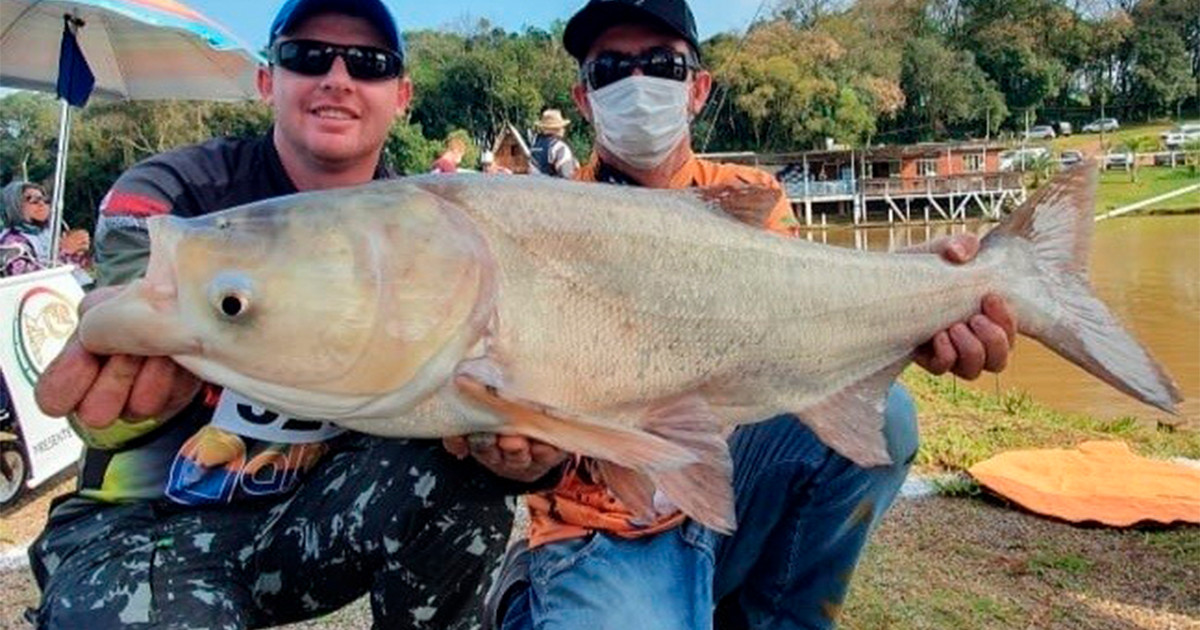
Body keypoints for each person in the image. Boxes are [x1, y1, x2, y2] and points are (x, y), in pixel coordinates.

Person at [475, 1, 1018, 629]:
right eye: (610, 70)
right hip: (603, 524)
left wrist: (931, 288)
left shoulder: (747, 198)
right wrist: (524, 450)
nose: (635, 82)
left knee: (887, 416)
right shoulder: (542, 221)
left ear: (698, 89)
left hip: (727, 485)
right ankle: (526, 598)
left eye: (659, 64)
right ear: (584, 98)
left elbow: (813, 306)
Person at [29, 1, 551, 628]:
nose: (338, 77)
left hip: (306, 520)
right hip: (147, 520)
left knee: (467, 477)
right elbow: (127, 319)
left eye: (369, 63)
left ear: (402, 95)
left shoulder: (424, 225)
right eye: (308, 56)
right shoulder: (176, 196)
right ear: (267, 79)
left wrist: (523, 443)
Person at [0, 181, 91, 277]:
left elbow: (79, 267)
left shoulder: (49, 233)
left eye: (45, 200)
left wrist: (79, 252)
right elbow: (26, 278)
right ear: (15, 206)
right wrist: (65, 251)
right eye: (33, 200)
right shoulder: (11, 242)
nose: (41, 204)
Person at [528, 109, 579, 178]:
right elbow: (566, 174)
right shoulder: (560, 147)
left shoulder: (535, 145)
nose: (564, 129)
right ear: (558, 129)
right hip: (553, 187)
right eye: (562, 127)